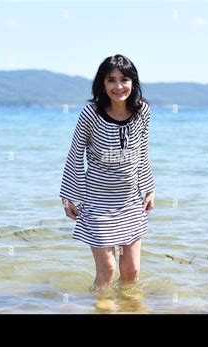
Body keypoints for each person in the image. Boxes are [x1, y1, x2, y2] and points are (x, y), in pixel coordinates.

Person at [60, 54, 155, 290]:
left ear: (133, 82)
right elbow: (75, 154)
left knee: (131, 273)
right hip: (97, 203)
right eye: (111, 80)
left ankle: (128, 308)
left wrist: (149, 188)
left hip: (130, 201)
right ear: (102, 84)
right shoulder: (90, 114)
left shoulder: (142, 111)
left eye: (124, 79)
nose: (118, 86)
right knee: (108, 271)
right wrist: (68, 196)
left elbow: (142, 153)